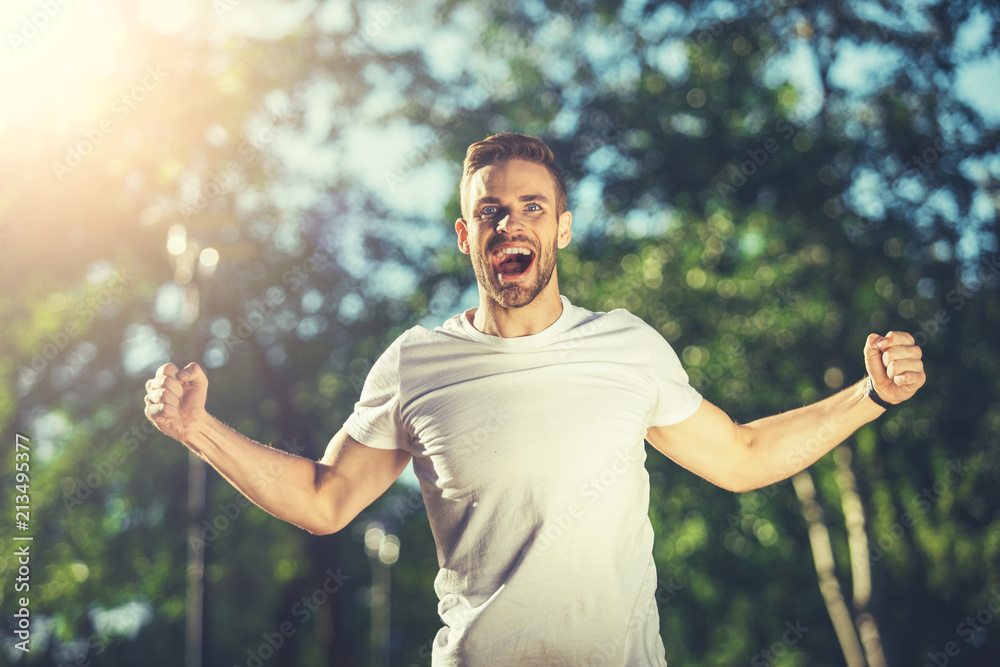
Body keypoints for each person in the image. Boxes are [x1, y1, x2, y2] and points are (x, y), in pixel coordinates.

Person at [143, 133, 925, 666]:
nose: (508, 223)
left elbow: (743, 456)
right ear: (464, 234)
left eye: (530, 208)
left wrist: (871, 396)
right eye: (489, 211)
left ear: (563, 228)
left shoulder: (627, 345)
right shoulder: (416, 362)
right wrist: (198, 428)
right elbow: (325, 498)